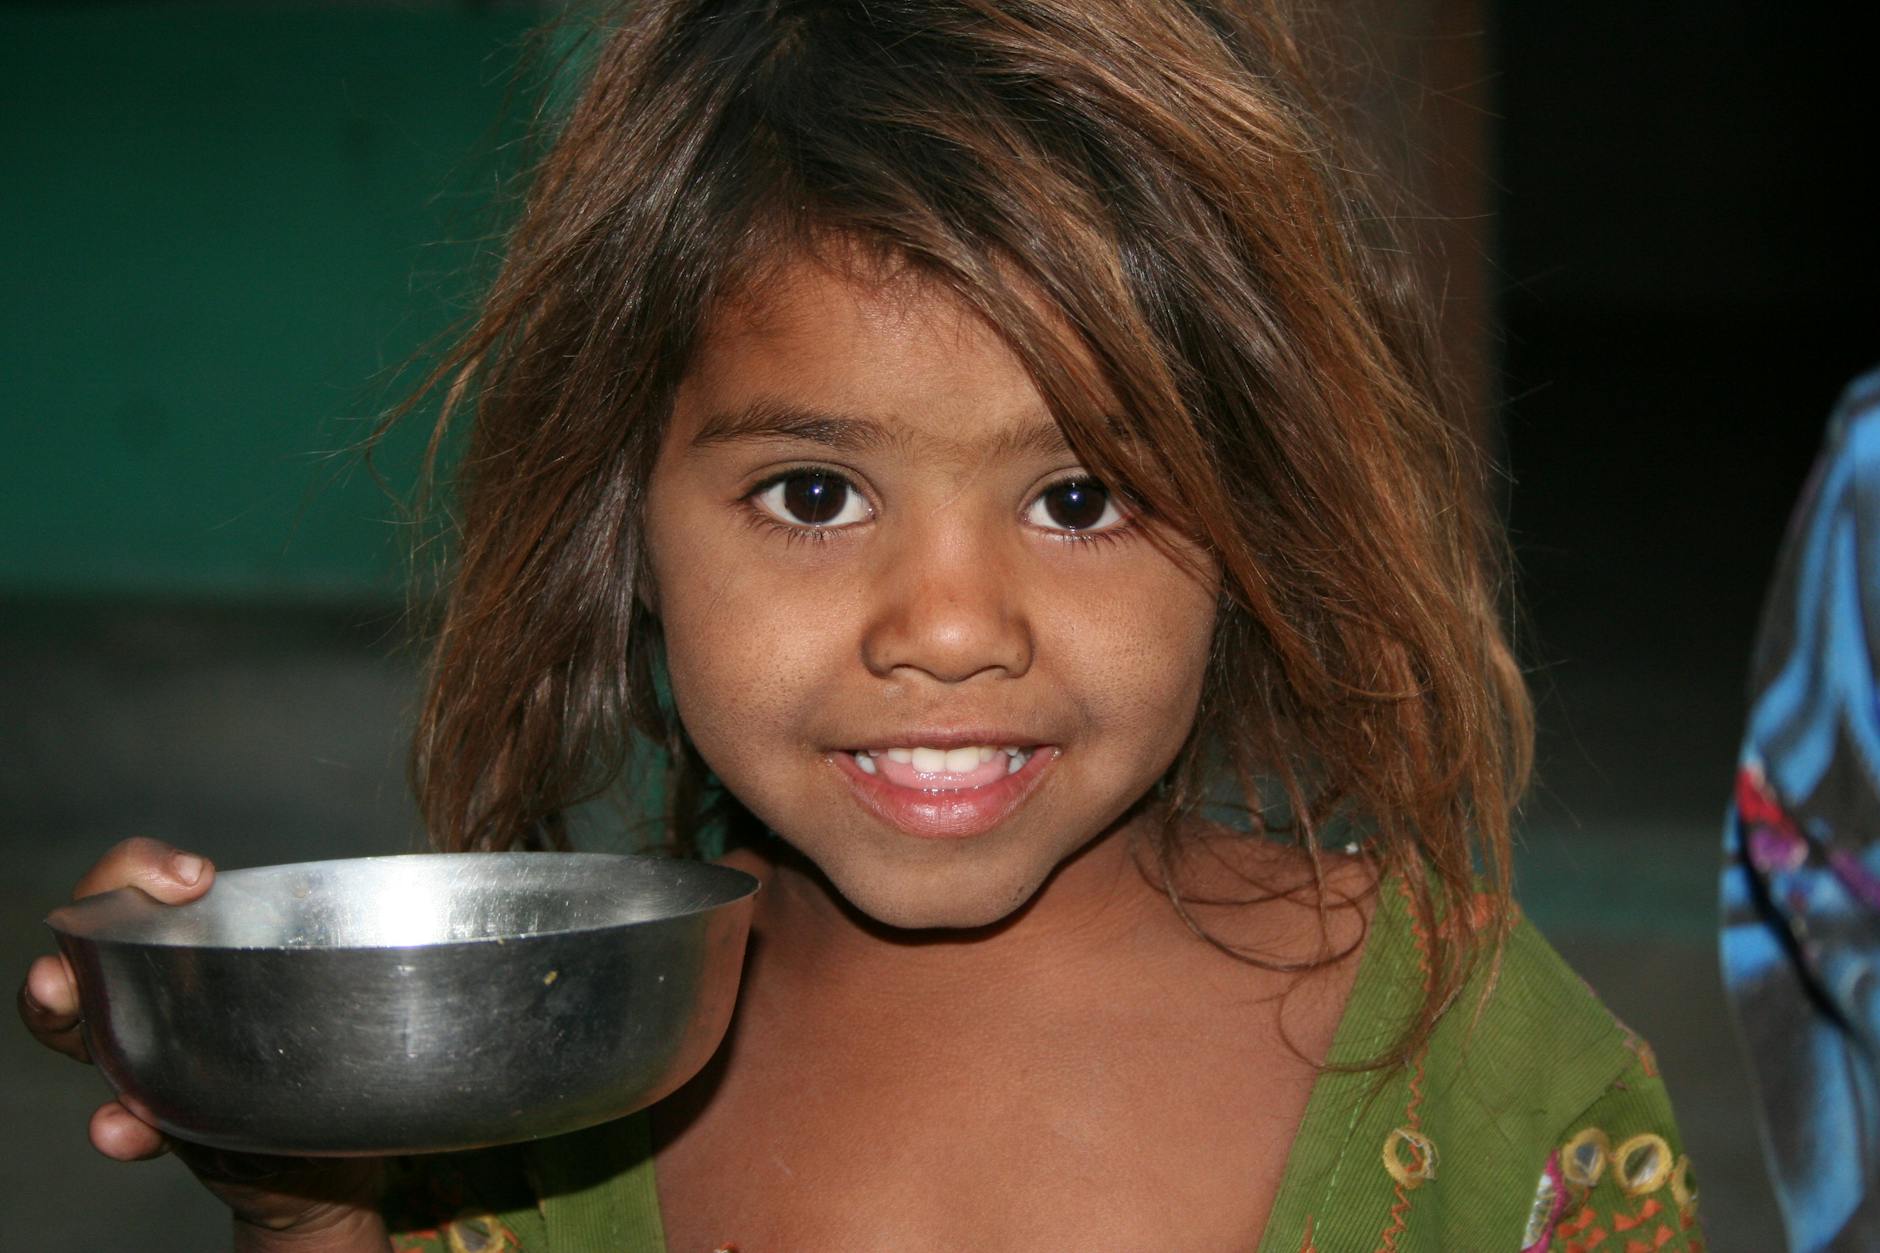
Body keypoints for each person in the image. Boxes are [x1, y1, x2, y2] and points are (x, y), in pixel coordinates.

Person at [18, 1, 1703, 1248]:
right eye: (816, 495)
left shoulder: (1469, 1054)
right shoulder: (525, 1085)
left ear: (1252, 519)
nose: (953, 626)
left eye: (1080, 496)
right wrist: (310, 1187)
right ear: (627, 526)